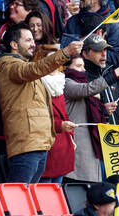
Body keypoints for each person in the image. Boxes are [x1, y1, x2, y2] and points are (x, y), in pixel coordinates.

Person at [0, 22, 83, 183]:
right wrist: (66, 52)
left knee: (31, 197)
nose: (33, 44)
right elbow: (32, 70)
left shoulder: (23, 67)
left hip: (39, 142)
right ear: (13, 44)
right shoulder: (8, 65)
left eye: (33, 40)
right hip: (26, 142)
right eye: (27, 40)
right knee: (18, 196)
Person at [64, 53, 119, 182]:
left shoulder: (82, 84)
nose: (83, 70)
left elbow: (85, 107)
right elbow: (88, 89)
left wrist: (103, 109)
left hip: (93, 147)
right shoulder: (67, 82)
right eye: (78, 66)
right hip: (79, 147)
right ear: (66, 68)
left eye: (83, 66)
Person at [33, 46, 76, 183]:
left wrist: (71, 136)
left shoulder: (59, 82)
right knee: (44, 190)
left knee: (56, 191)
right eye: (50, 61)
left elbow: (64, 114)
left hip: (63, 147)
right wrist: (60, 125)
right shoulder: (37, 83)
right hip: (47, 145)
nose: (54, 65)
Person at [63, 0, 119, 68]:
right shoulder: (73, 21)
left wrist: (95, 52)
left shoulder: (111, 24)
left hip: (100, 76)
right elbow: (63, 46)